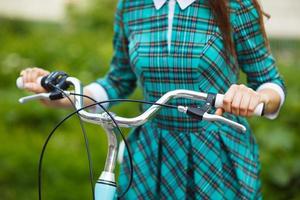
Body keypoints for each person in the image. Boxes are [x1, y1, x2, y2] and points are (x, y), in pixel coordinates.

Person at [20, 0, 286, 199]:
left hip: (216, 151)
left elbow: (269, 81)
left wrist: (255, 97)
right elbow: (118, 80)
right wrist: (64, 95)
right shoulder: (132, 6)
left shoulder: (234, 5)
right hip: (151, 151)